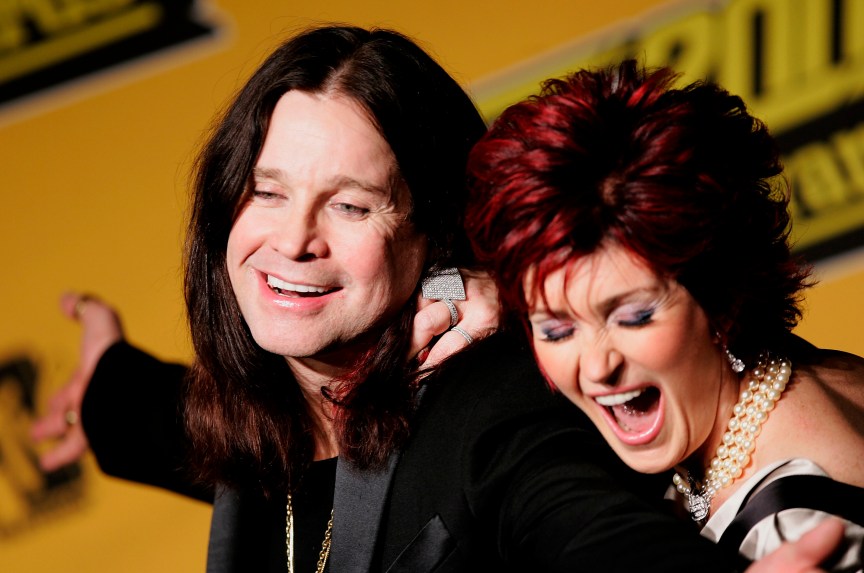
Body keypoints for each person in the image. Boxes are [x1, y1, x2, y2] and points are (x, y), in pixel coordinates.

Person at [32, 28, 845, 572]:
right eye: (266, 191)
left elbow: (585, 520)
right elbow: (179, 423)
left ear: (432, 232)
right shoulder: (270, 401)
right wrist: (104, 376)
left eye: (351, 205)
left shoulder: (495, 409)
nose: (293, 239)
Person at [465, 59, 864, 570]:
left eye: (632, 317)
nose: (595, 366)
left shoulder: (795, 526)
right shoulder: (782, 377)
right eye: (557, 329)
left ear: (722, 298)